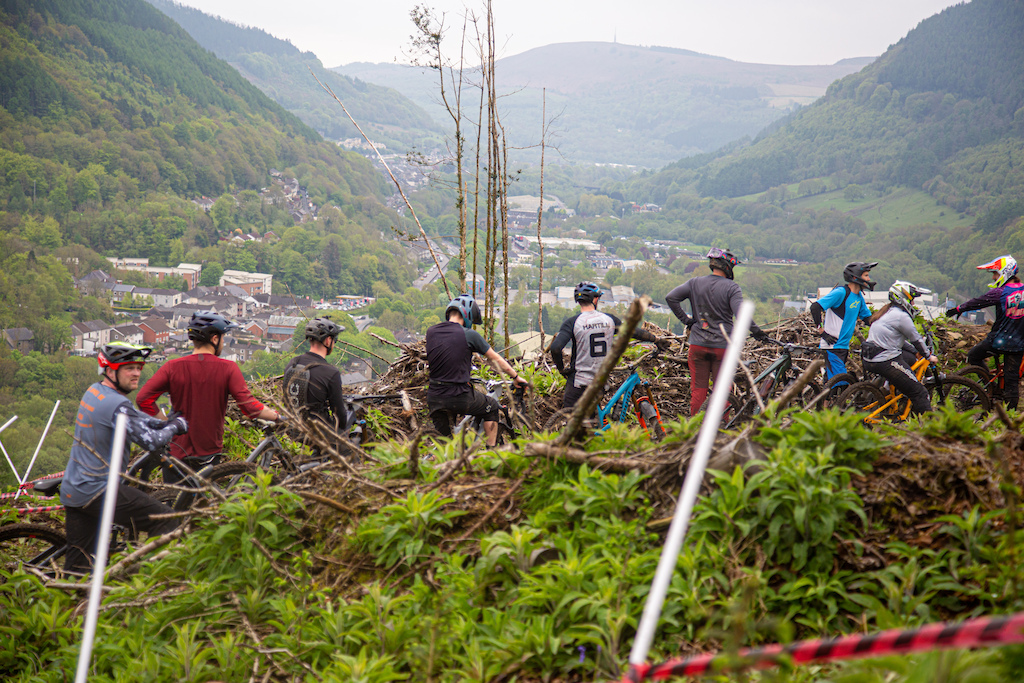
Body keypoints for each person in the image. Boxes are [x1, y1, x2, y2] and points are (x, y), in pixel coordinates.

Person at [61, 342, 189, 573]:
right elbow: (151, 442)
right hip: (99, 490)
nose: (137, 373)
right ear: (110, 370)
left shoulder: (95, 391)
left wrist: (163, 422)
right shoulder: (116, 403)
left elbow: (133, 416)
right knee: (167, 519)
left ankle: (73, 601)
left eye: (139, 367)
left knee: (79, 566)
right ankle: (140, 578)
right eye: (129, 368)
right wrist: (175, 426)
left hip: (75, 488)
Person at [136, 311, 280, 480]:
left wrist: (166, 424)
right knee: (202, 503)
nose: (223, 342)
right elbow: (249, 406)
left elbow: (143, 399)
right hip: (208, 455)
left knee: (173, 503)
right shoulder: (228, 368)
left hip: (176, 453)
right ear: (214, 339)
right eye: (223, 337)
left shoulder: (172, 367)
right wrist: (277, 417)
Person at [666, 248, 769, 416]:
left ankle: (694, 431)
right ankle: (721, 429)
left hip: (698, 346)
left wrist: (687, 321)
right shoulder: (732, 288)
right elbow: (741, 314)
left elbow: (671, 297)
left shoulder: (694, 282)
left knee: (698, 390)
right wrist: (758, 332)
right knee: (722, 391)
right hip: (722, 348)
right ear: (728, 267)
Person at [425, 294, 529, 446]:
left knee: (445, 445)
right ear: (466, 314)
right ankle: (491, 453)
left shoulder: (431, 331)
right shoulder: (469, 335)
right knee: (492, 407)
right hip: (458, 396)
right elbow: (496, 359)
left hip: (434, 396)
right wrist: (516, 376)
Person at [549, 282, 669, 409]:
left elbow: (556, 348)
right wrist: (656, 339)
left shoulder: (572, 322)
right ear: (595, 299)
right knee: (593, 421)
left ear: (578, 301)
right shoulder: (609, 320)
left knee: (570, 421)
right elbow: (633, 331)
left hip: (578, 383)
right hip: (600, 382)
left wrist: (562, 369)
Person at [946, 255, 1024, 409]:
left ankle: (989, 385)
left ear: (1004, 273)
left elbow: (978, 301)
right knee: (1011, 382)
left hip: (998, 341)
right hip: (1018, 344)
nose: (994, 277)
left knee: (974, 355)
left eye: (996, 273)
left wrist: (959, 308)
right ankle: (1010, 420)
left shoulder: (1001, 292)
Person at [861, 281, 936, 416]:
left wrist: (915, 351)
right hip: (884, 361)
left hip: (869, 358)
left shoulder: (885, 312)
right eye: (912, 300)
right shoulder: (901, 316)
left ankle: (892, 395)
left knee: (909, 359)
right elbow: (916, 339)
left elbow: (899, 342)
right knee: (919, 392)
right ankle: (929, 428)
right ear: (904, 298)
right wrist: (929, 356)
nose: (913, 304)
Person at [810, 261, 877, 380]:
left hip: (843, 346)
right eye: (866, 275)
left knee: (832, 383)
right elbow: (815, 307)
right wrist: (822, 332)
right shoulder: (841, 293)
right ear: (856, 277)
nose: (868, 278)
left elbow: (868, 319)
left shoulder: (858, 297)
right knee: (840, 383)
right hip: (832, 346)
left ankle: (825, 399)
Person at [283, 317, 350, 432]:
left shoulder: (293, 363)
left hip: (293, 431)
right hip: (319, 436)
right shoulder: (331, 373)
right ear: (328, 341)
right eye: (334, 340)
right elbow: (340, 416)